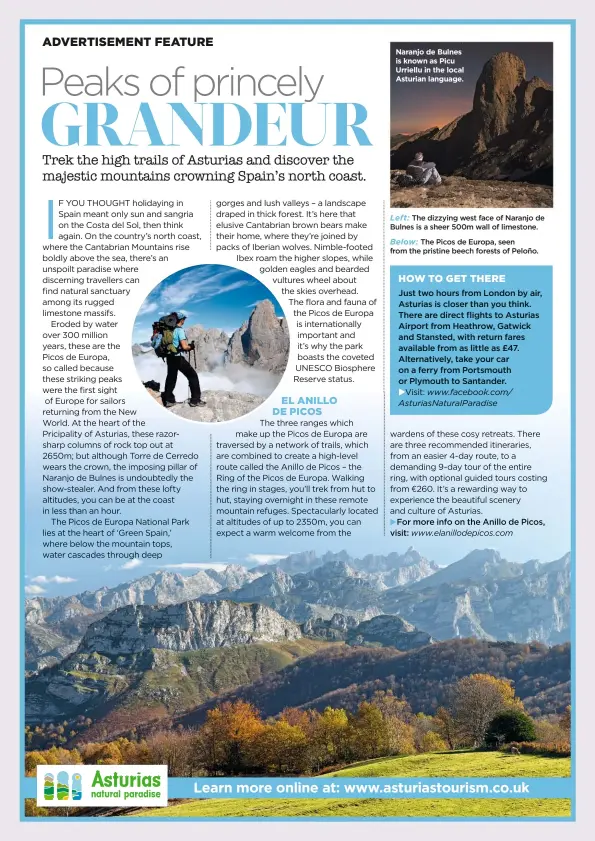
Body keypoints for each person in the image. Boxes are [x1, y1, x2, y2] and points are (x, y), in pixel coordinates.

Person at [153, 312, 206, 408]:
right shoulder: (179, 330)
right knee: (192, 376)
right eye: (184, 319)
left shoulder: (167, 330)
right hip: (177, 357)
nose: (184, 320)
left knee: (171, 378)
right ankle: (195, 400)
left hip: (169, 357)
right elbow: (185, 347)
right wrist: (191, 346)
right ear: (181, 320)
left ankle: (168, 400)